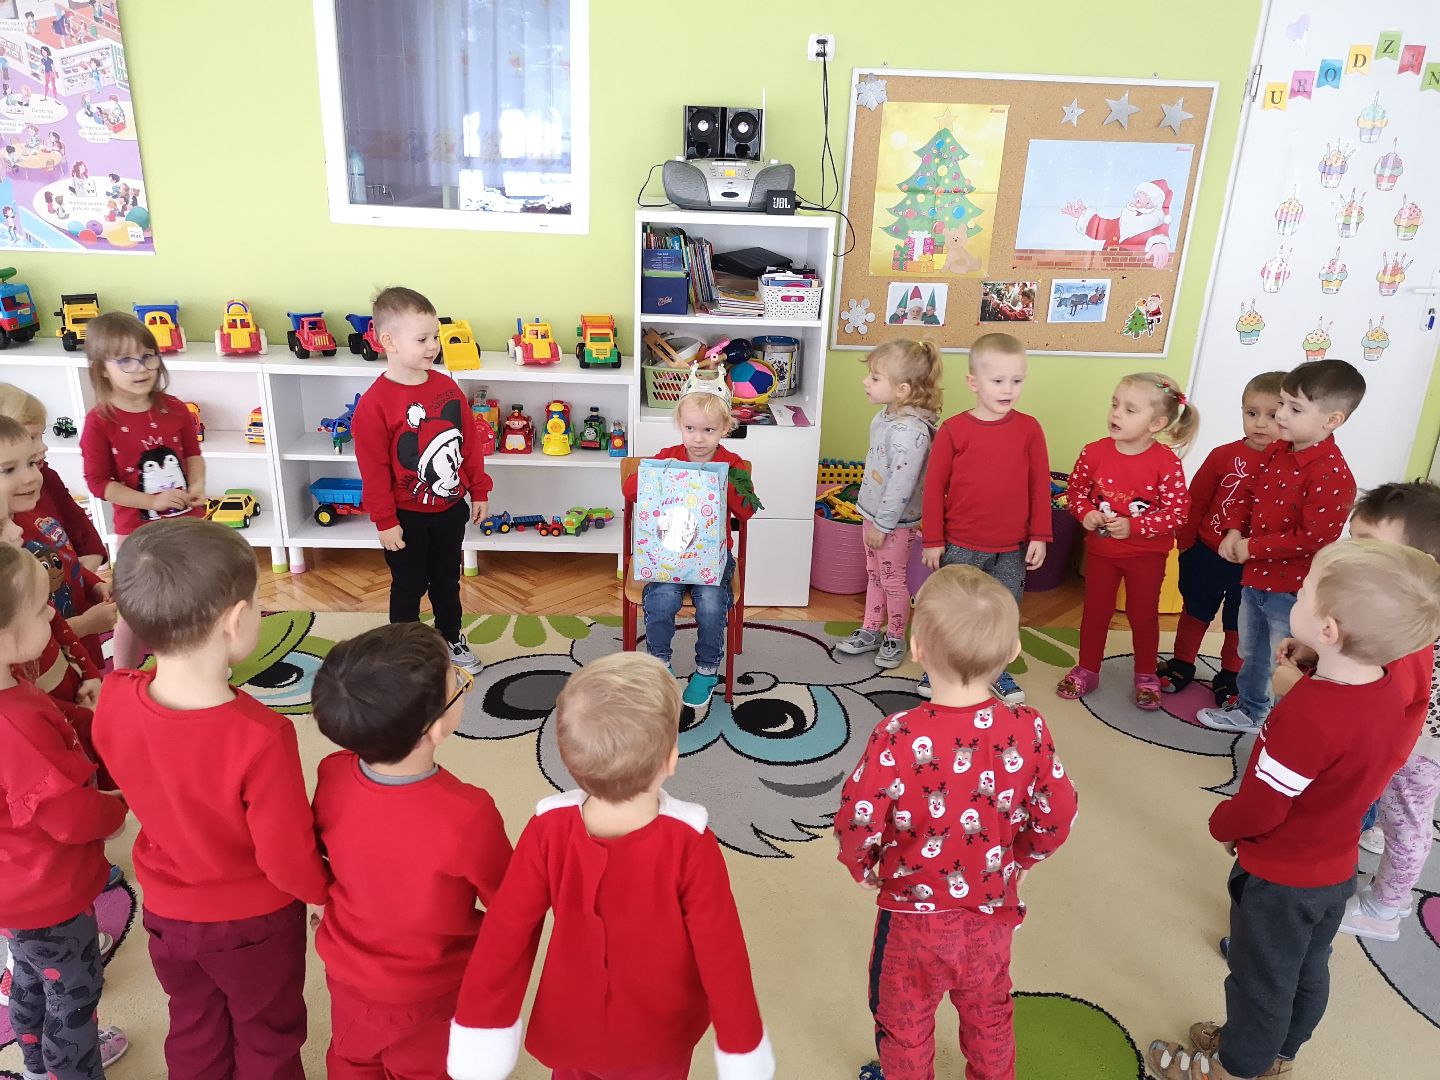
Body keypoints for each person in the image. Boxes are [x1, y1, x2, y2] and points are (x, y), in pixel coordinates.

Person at [1147, 539, 1440, 1080]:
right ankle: (1279, 1053)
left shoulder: (1306, 716)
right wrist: (1313, 667)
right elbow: (1341, 736)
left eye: (1303, 591)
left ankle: (1236, 1067)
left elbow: (1263, 807)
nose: (1296, 594)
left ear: (1328, 630)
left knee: (1258, 980)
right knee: (1306, 969)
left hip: (1280, 879)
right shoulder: (1384, 691)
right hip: (1333, 868)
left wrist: (1223, 824)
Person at [447, 652, 773, 1080]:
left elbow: (505, 933)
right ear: (670, 759)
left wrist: (481, 1023)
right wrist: (742, 1043)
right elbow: (722, 952)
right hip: (659, 1033)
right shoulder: (691, 843)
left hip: (572, 1018)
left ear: (568, 763)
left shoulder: (547, 829)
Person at [92, 519, 330, 1080]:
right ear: (237, 620)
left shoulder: (114, 697)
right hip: (254, 922)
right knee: (267, 1030)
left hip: (167, 913)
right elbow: (285, 853)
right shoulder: (262, 736)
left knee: (194, 1021)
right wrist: (322, 895)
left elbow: (124, 752)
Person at [836, 565, 1077, 1080]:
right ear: (1014, 651)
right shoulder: (1030, 727)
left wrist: (862, 866)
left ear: (917, 649)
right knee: (990, 1016)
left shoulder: (897, 734)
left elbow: (858, 816)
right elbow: (1058, 810)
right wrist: (1024, 856)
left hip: (911, 920)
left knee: (903, 1022)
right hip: (992, 912)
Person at [311, 622, 513, 1078]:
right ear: (436, 727)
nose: (462, 683)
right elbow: (510, 900)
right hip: (431, 991)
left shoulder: (332, 773)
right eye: (458, 681)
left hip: (347, 973)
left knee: (351, 1057)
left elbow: (321, 852)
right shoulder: (468, 814)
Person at [1265, 482, 1440, 944]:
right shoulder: (1385, 614)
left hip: (1414, 749)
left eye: (1369, 548)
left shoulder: (1408, 648)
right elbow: (1356, 658)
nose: (1352, 558)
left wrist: (1297, 690)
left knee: (1407, 819)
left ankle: (1386, 907)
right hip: (1390, 742)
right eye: (1353, 540)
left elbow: (1361, 718)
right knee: (1383, 809)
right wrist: (1314, 649)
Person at [0, 545, 130, 1079]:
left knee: (33, 978)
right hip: (48, 892)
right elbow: (69, 816)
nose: (53, 614)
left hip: (16, 893)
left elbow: (49, 715)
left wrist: (86, 717)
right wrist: (115, 810)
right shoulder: (14, 727)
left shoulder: (11, 690)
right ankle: (68, 1071)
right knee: (75, 995)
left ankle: (34, 1064)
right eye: (39, 609)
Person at [1197, 359, 1365, 732]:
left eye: (1294, 409)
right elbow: (1248, 494)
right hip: (1255, 579)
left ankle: (1293, 726)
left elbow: (1312, 538)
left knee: (1285, 660)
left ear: (1332, 420)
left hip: (1291, 592)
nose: (1281, 415)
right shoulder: (1277, 451)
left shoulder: (1332, 474)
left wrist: (1253, 547)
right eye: (1282, 405)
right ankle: (1252, 711)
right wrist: (1234, 532)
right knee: (1252, 651)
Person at [353, 286, 491, 675]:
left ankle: (450, 637)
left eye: (435, 337)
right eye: (422, 339)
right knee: (408, 586)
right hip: (404, 518)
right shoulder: (374, 404)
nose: (433, 346)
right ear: (389, 342)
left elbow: (469, 444)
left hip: (450, 511)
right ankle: (403, 650)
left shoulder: (447, 388)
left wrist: (479, 489)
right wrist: (385, 520)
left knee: (447, 581)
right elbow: (373, 468)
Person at [918, 333, 1051, 704]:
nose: (1008, 389)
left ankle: (995, 669)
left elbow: (1040, 485)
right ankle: (937, 666)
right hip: (960, 544)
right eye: (998, 380)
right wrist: (933, 540)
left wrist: (1040, 535)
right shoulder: (953, 430)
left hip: (1011, 548)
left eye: (1017, 380)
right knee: (953, 612)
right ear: (973, 382)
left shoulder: (1030, 429)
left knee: (1002, 614)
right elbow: (933, 489)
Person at [621, 366, 762, 710]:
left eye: (708, 430)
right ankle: (660, 664)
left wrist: (724, 483)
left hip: (712, 558)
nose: (698, 439)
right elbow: (631, 491)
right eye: (690, 428)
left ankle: (707, 669)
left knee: (712, 604)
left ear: (726, 428)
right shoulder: (668, 456)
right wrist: (656, 474)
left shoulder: (733, 464)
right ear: (680, 425)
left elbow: (747, 511)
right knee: (661, 600)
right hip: (669, 555)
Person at [1056, 374, 1196, 709]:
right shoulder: (1094, 452)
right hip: (1101, 553)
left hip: (1146, 557)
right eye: (1115, 404)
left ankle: (1146, 675)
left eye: (1130, 410)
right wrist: (1086, 512)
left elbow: (1178, 514)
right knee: (1095, 612)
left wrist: (1134, 526)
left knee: (1142, 616)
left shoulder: (1166, 462)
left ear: (1156, 423)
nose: (1116, 413)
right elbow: (1075, 492)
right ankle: (1087, 668)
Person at [79, 312, 204, 670]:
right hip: (138, 535)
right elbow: (99, 483)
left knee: (193, 599)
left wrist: (197, 485)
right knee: (134, 609)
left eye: (147, 356)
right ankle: (123, 673)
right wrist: (151, 501)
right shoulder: (99, 422)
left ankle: (193, 664)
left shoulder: (174, 408)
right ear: (101, 369)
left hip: (188, 526)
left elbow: (193, 455)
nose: (141, 368)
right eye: (125, 360)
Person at [1159, 372, 1285, 706]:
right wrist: (1186, 545)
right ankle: (1182, 663)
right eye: (1252, 413)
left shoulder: (1289, 468)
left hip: (1254, 562)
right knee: (1195, 610)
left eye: (1273, 415)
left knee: (1240, 622)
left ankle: (1230, 674)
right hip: (1207, 553)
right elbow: (1196, 500)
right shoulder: (1222, 455)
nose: (1260, 423)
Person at [833, 340, 941, 670]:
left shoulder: (910, 433)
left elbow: (900, 486)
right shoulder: (886, 416)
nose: (866, 381)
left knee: (892, 580)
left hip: (894, 524)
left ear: (902, 389)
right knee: (874, 574)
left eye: (875, 377)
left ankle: (895, 636)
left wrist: (882, 526)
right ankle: (870, 629)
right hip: (873, 515)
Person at [0, 388, 114, 656]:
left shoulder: (31, 510)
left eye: (31, 463)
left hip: (77, 638)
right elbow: (20, 639)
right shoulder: (11, 539)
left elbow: (63, 561)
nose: (43, 448)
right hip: (53, 655)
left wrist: (94, 585)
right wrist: (84, 625)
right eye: (10, 468)